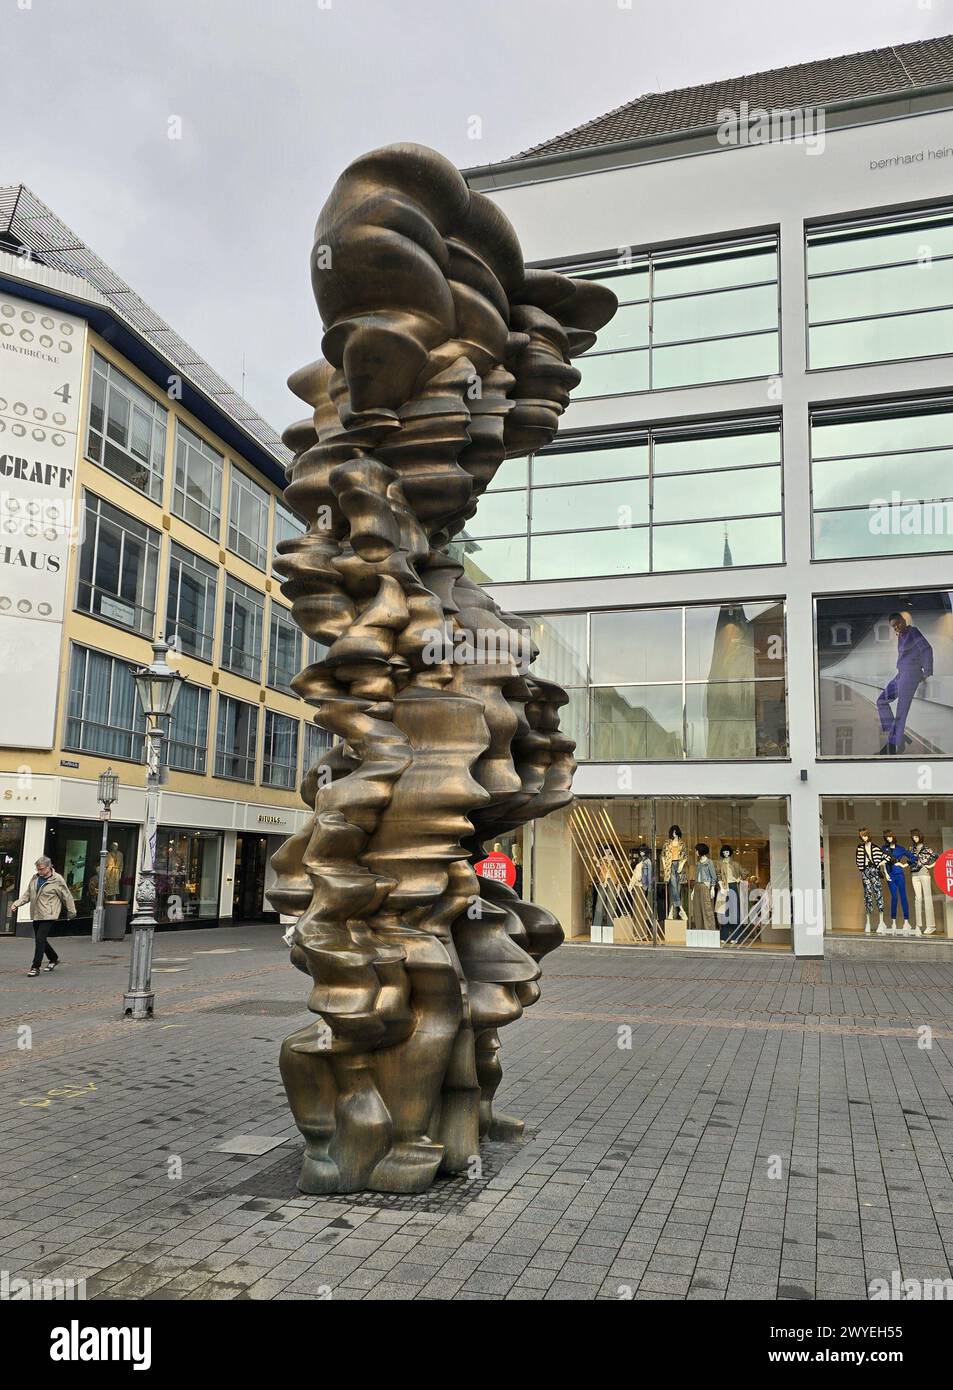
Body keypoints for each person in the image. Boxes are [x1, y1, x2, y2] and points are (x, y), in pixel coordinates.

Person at [7, 856, 76, 976]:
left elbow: (67, 896)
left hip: (49, 914)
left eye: (41, 869)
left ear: (49, 867)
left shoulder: (57, 879)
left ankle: (35, 967)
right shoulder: (35, 878)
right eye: (37, 869)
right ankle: (53, 958)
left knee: (39, 939)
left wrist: (72, 912)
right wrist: (16, 904)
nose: (39, 872)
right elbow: (28, 894)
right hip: (36, 913)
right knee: (41, 939)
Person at [877, 612, 933, 755]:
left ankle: (893, 745)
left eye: (898, 623)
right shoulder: (901, 636)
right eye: (894, 626)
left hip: (911, 675)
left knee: (901, 711)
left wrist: (927, 671)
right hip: (901, 674)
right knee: (881, 700)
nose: (897, 627)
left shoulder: (912, 632)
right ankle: (898, 736)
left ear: (903, 620)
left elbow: (927, 648)